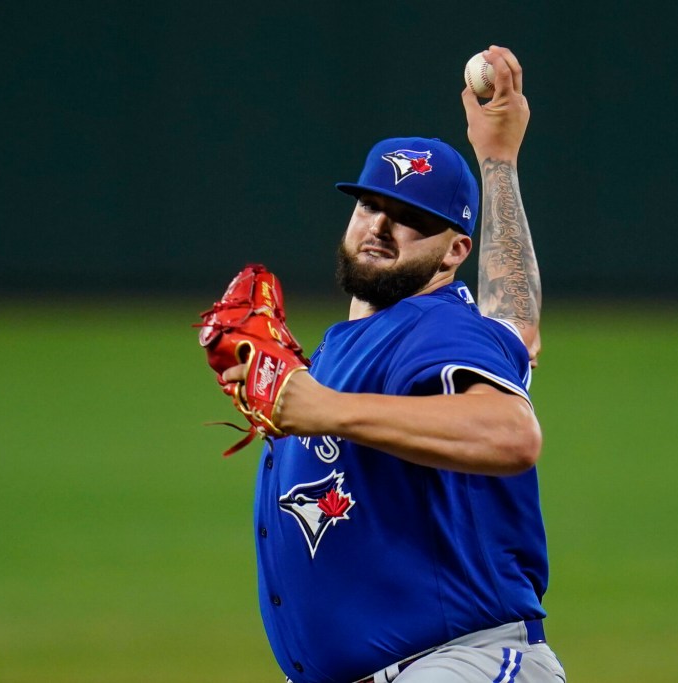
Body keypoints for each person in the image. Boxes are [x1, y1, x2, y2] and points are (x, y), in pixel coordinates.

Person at [222, 46, 565, 683]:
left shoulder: (431, 328)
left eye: (411, 219)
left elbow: (512, 433)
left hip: (459, 663)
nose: (381, 225)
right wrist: (497, 162)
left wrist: (318, 407)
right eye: (370, 206)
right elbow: (514, 325)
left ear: (453, 251)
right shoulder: (355, 346)